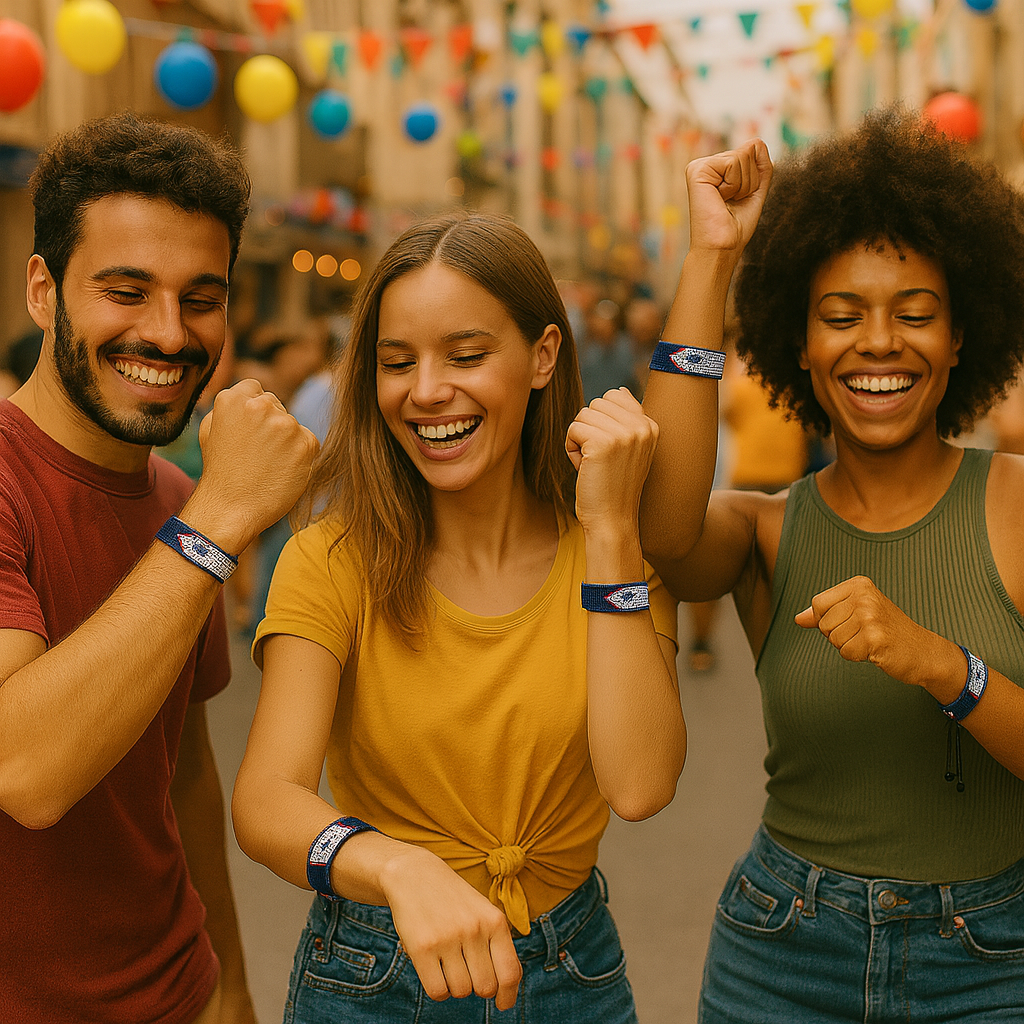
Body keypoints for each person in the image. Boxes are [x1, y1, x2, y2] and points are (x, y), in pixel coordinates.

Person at [231, 211, 684, 1023]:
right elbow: (267, 798)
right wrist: (396, 868)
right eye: (396, 362)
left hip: (573, 972)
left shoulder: (610, 552)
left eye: (466, 355)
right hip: (374, 977)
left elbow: (642, 784)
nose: (427, 389)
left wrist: (612, 532)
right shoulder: (332, 559)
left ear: (544, 355)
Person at [641, 108, 1024, 1022]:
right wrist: (713, 257)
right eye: (841, 317)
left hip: (991, 959)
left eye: (915, 314)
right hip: (783, 953)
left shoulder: (1016, 503)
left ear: (961, 334)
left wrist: (943, 665)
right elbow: (661, 531)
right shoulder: (765, 532)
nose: (879, 343)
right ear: (798, 348)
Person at [0, 111, 319, 1024]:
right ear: (42, 290)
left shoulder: (177, 499)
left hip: (179, 991)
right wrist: (221, 514)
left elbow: (177, 771)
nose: (171, 334)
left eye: (202, 297)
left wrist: (230, 986)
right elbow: (25, 769)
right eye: (126, 289)